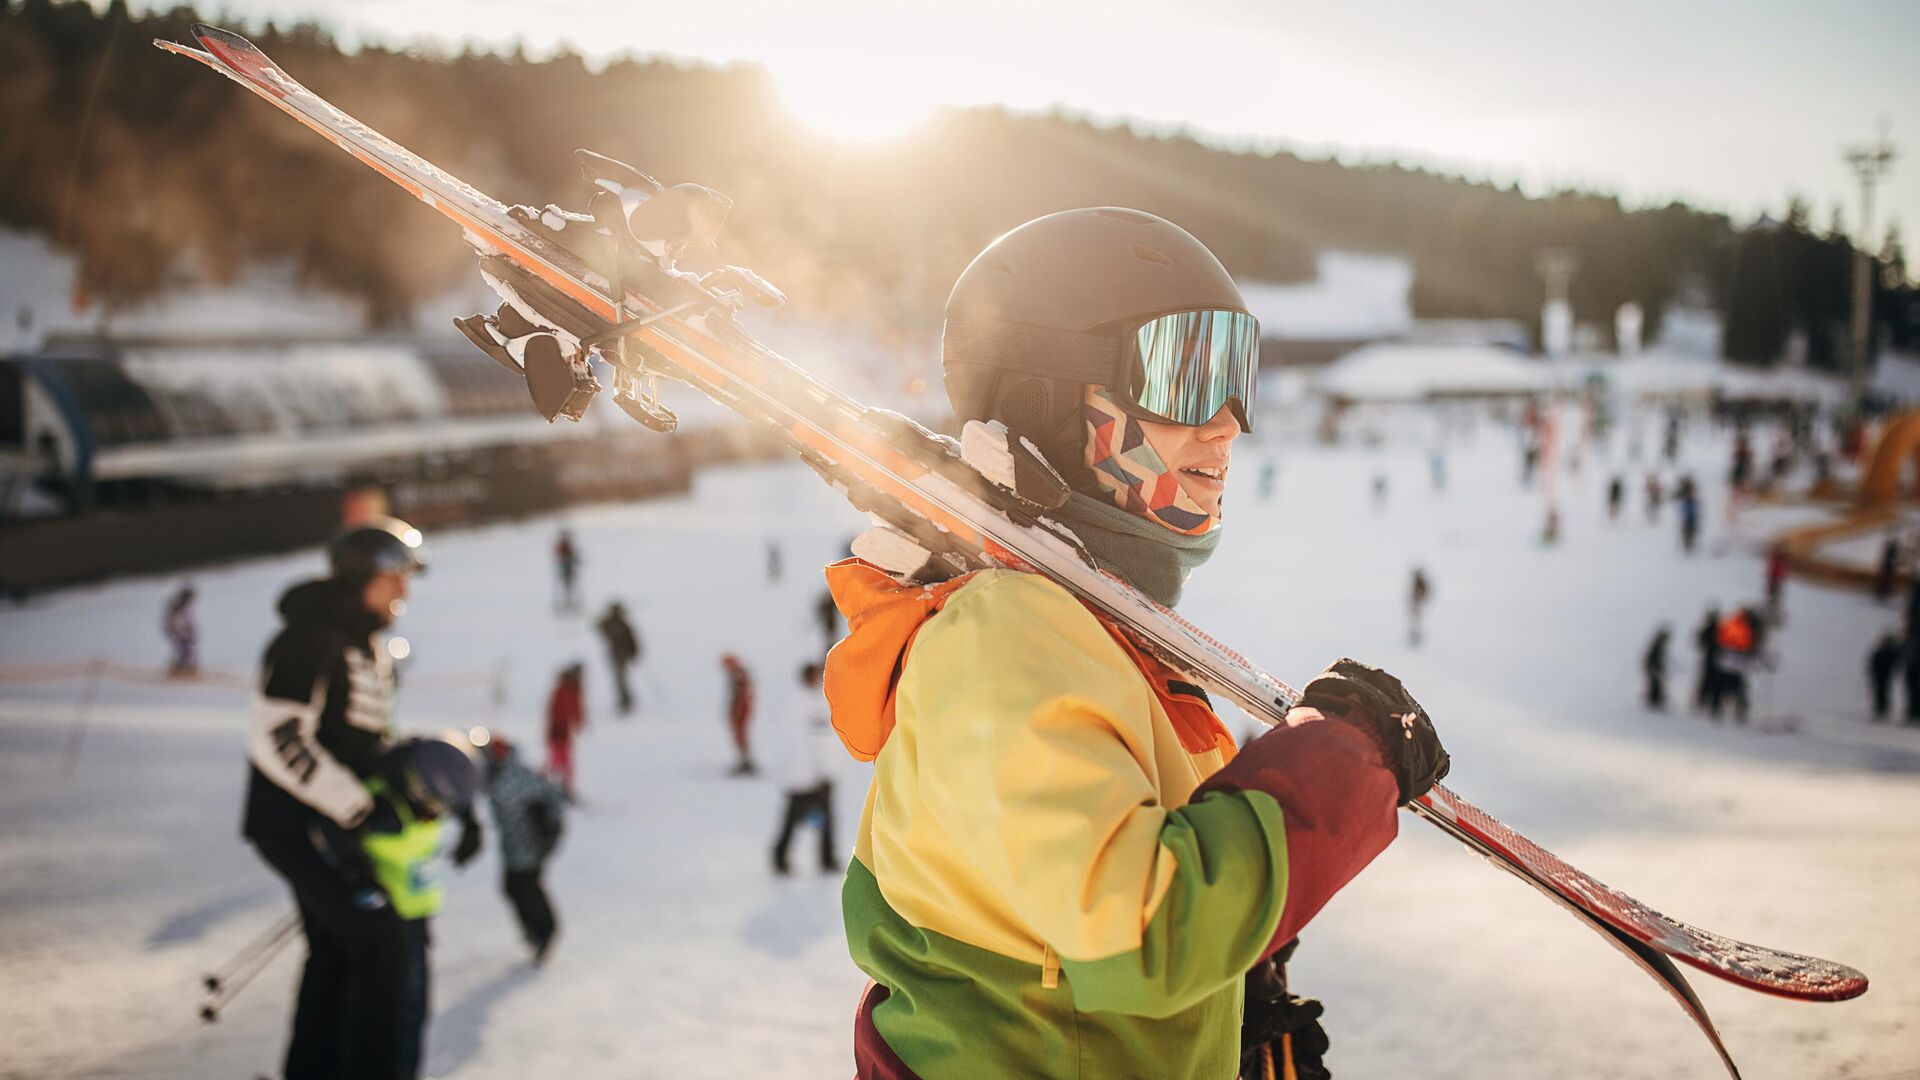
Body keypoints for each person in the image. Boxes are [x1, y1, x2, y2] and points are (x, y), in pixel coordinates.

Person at [823, 208, 1448, 1079]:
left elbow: (1086, 945)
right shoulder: (1002, 637)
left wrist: (1220, 1013)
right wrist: (1345, 765)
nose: (1228, 424)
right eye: (1187, 377)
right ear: (1046, 397)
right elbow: (1140, 935)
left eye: (1235, 378)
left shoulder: (1100, 638)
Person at [243, 516, 475, 1080]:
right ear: (359, 576)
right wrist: (357, 806)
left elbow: (363, 742)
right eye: (394, 577)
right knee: (379, 945)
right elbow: (278, 735)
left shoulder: (368, 645)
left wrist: (416, 780)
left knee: (337, 952)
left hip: (337, 830)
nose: (403, 592)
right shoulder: (309, 638)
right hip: (301, 827)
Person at [350, 734, 482, 1080]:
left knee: (414, 1012)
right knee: (392, 1017)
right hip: (384, 924)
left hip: (417, 918)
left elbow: (455, 782)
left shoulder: (430, 781)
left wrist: (470, 819)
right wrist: (360, 878)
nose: (435, 814)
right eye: (434, 806)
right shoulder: (381, 804)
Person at [482, 734, 567, 961]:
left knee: (525, 888)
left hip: (529, 846)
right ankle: (536, 931)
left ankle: (544, 931)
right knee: (513, 888)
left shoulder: (512, 777)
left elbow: (551, 796)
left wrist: (550, 830)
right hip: (514, 846)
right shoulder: (499, 775)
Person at [770, 662, 838, 875]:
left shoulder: (805, 701)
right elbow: (808, 743)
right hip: (807, 775)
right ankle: (786, 858)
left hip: (806, 773)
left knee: (809, 820)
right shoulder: (804, 705)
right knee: (799, 819)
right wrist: (821, 772)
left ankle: (817, 858)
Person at [545, 664, 586, 798]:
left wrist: (578, 721)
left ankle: (563, 787)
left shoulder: (572, 690)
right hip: (558, 731)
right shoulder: (564, 690)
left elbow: (576, 709)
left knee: (562, 761)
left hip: (564, 731)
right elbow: (555, 711)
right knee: (557, 761)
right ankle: (551, 786)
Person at [594, 601, 642, 716]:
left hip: (622, 656)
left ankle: (626, 701)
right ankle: (624, 701)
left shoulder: (624, 626)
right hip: (615, 656)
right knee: (619, 679)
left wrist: (634, 653)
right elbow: (599, 627)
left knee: (621, 679)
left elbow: (633, 642)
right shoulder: (610, 624)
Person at [720, 653, 756, 776]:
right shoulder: (737, 675)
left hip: (741, 710)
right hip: (739, 710)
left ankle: (746, 762)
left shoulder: (738, 675)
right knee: (739, 736)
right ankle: (744, 761)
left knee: (741, 736)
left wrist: (737, 711)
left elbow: (742, 696)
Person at [1692, 606, 1722, 715]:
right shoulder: (1717, 628)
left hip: (1715, 659)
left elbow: (1700, 641)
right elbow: (1700, 641)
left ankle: (1708, 704)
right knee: (1711, 683)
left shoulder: (1717, 628)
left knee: (1710, 682)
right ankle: (1708, 704)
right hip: (1714, 659)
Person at [163, 583, 198, 676]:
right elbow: (174, 619)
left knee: (185, 646)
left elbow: (187, 619)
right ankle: (179, 666)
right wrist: (181, 630)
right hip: (175, 628)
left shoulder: (183, 605)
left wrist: (190, 628)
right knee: (183, 646)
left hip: (179, 628)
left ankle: (183, 665)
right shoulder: (177, 604)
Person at [1868, 632, 1902, 723]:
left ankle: (1882, 708)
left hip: (1883, 674)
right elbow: (1874, 662)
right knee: (1881, 691)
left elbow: (1874, 661)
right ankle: (1881, 708)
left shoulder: (1886, 651)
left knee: (1881, 691)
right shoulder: (1886, 651)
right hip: (1881, 674)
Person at [1643, 625, 1670, 710]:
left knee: (1656, 684)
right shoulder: (1657, 645)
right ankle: (1654, 701)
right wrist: (1654, 668)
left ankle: (1656, 700)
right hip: (1653, 668)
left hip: (1654, 668)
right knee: (1655, 685)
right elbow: (1652, 658)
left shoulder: (1658, 645)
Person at [553, 529, 580, 613]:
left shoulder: (568, 545)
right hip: (564, 568)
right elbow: (559, 556)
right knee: (566, 585)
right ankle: (566, 601)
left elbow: (573, 556)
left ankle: (569, 601)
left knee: (569, 585)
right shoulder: (562, 545)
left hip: (568, 568)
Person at [1408, 566, 1431, 646]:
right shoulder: (1416, 582)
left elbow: (1425, 592)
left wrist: (1421, 599)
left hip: (1419, 605)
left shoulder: (1421, 582)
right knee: (1414, 620)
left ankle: (1416, 635)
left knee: (1417, 621)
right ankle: (1414, 635)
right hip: (1415, 604)